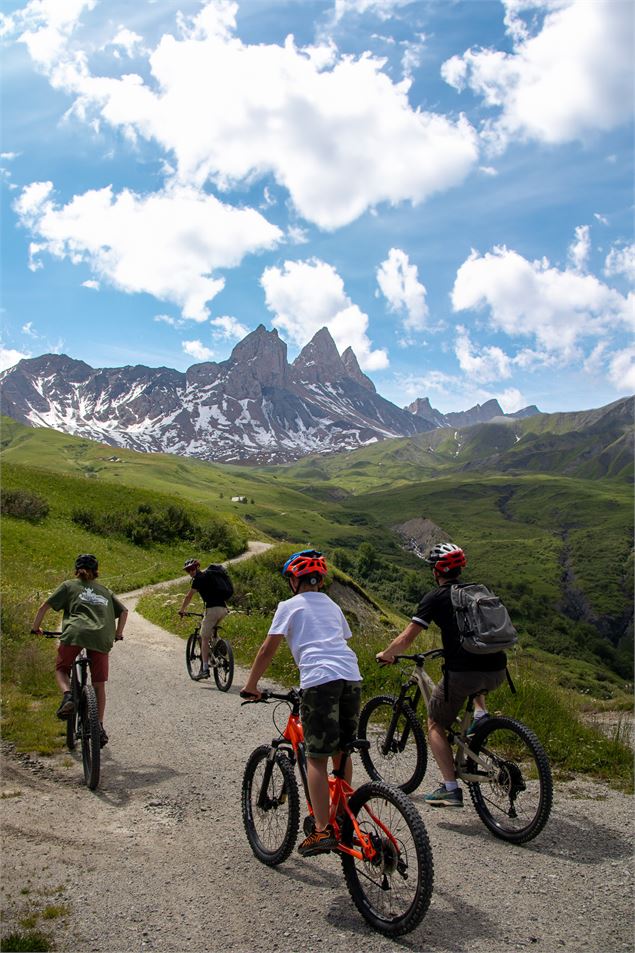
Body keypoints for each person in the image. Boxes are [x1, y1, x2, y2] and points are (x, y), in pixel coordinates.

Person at [241, 549, 362, 857]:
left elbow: (268, 648)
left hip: (319, 680)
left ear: (294, 581)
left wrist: (251, 685)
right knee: (342, 751)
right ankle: (341, 817)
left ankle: (321, 831)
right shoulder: (333, 605)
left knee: (316, 758)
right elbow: (338, 639)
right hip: (351, 676)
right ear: (319, 581)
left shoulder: (289, 605)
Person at [376, 542, 507, 808]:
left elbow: (407, 638)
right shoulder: (477, 591)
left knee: (435, 723)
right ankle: (481, 715)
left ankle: (450, 788)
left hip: (464, 675)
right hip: (497, 670)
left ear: (437, 570)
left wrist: (387, 653)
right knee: (473, 681)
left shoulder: (435, 597)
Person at [31, 554, 127, 748]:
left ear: (77, 570)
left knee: (61, 669)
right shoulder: (105, 590)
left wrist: (36, 628)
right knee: (99, 685)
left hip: (75, 632)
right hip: (101, 636)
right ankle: (98, 727)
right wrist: (118, 633)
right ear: (96, 571)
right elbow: (124, 611)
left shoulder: (69, 586)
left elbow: (44, 607)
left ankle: (68, 695)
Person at [179, 558, 231, 680]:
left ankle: (205, 669)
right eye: (188, 570)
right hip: (223, 609)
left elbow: (189, 596)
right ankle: (218, 646)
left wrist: (182, 610)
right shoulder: (211, 575)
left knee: (203, 637)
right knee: (211, 631)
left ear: (197, 567)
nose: (190, 572)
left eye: (192, 569)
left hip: (212, 609)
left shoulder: (198, 579)